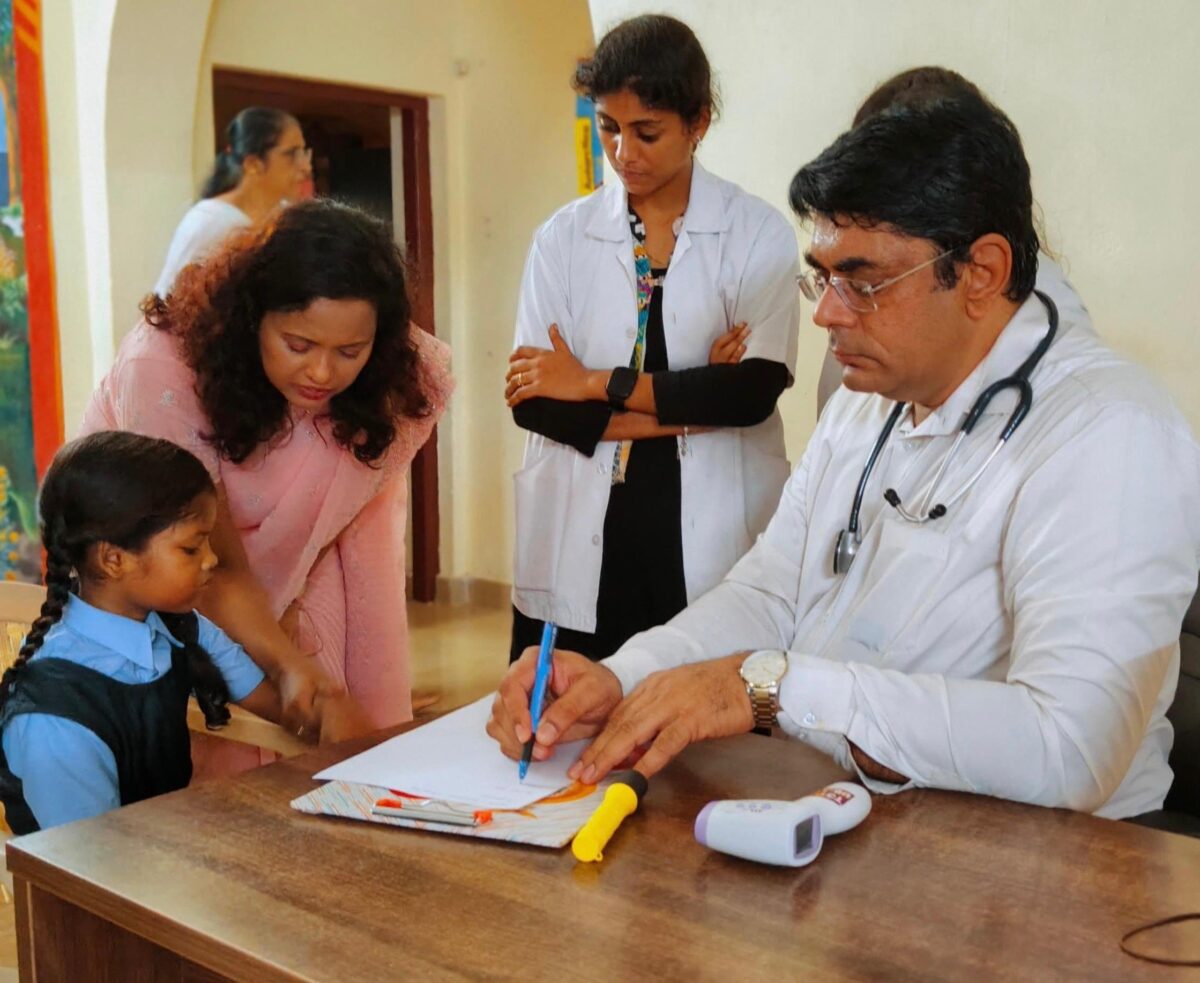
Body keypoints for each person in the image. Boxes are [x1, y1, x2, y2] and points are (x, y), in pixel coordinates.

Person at [488, 89, 1200, 821]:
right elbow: (772, 592)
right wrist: (623, 674)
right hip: (848, 806)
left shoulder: (1111, 431)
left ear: (982, 272)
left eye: (862, 283)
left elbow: (1069, 751)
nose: (826, 312)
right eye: (822, 277)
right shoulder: (870, 398)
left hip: (1045, 861)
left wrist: (772, 686)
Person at [82, 199, 453, 778]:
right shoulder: (164, 370)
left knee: (332, 764)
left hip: (312, 576)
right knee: (217, 782)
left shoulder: (399, 378)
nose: (323, 375)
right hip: (174, 571)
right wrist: (286, 666)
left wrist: (362, 708)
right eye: (298, 345)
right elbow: (208, 559)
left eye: (349, 352)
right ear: (252, 316)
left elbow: (366, 547)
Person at [505, 14, 799, 663]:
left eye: (647, 132)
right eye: (607, 127)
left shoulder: (756, 233)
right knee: (562, 731)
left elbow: (749, 394)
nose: (622, 153)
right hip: (586, 536)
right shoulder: (563, 238)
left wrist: (589, 382)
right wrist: (692, 404)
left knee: (700, 735)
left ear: (699, 122)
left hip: (711, 540)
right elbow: (535, 403)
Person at [0, 433, 289, 832]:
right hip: (94, 882)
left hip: (159, 860)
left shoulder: (176, 626)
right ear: (114, 559)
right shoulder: (57, 716)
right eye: (191, 548)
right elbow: (91, 869)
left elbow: (272, 701)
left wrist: (322, 708)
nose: (213, 560)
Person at [154, 107, 312, 297]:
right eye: (292, 154)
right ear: (253, 164)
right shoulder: (211, 222)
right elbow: (168, 303)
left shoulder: (286, 218)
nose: (306, 167)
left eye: (304, 152)